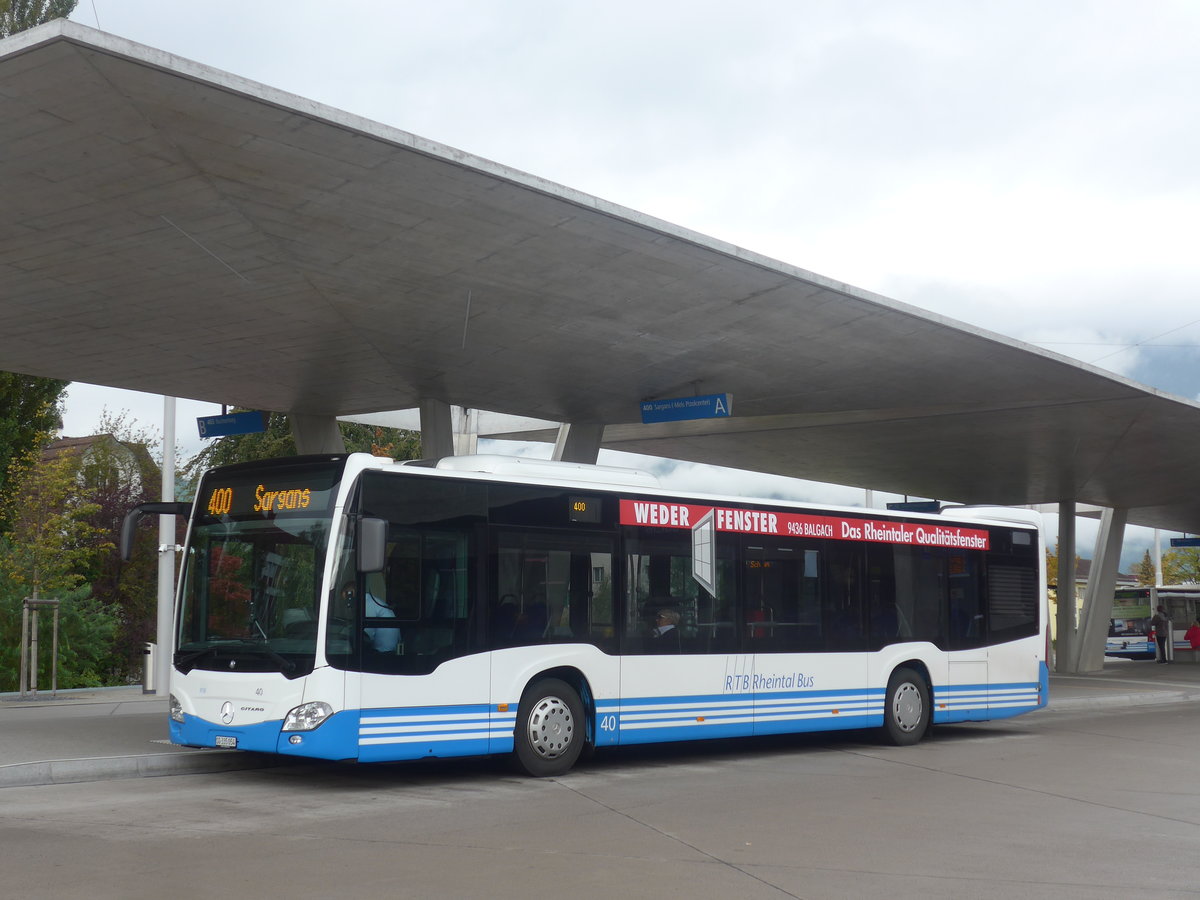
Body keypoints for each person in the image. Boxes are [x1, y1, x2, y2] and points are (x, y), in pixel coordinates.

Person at [340, 581, 400, 653]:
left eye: (348, 600)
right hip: (383, 649)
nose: (348, 603)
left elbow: (365, 636)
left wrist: (344, 636)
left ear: (352, 593)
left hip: (384, 652)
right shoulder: (368, 601)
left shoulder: (367, 604)